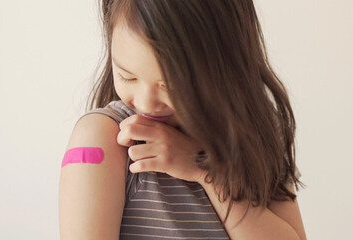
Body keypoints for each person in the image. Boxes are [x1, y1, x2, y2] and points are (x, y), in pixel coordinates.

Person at [58, 0, 306, 239]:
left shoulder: (256, 134)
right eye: (127, 76)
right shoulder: (101, 139)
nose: (146, 103)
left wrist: (205, 170)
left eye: (172, 86)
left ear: (228, 65)